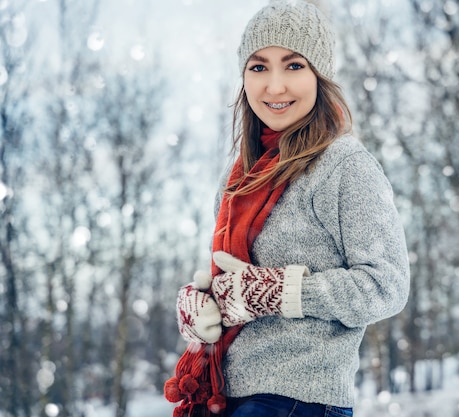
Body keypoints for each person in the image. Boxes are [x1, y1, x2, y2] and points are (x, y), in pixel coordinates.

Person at [166, 1, 410, 416]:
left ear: (320, 76)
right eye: (259, 67)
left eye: (294, 66)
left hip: (300, 400)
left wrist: (279, 292)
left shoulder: (343, 166)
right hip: (228, 396)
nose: (275, 86)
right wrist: (202, 306)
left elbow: (387, 285)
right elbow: (236, 283)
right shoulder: (240, 180)